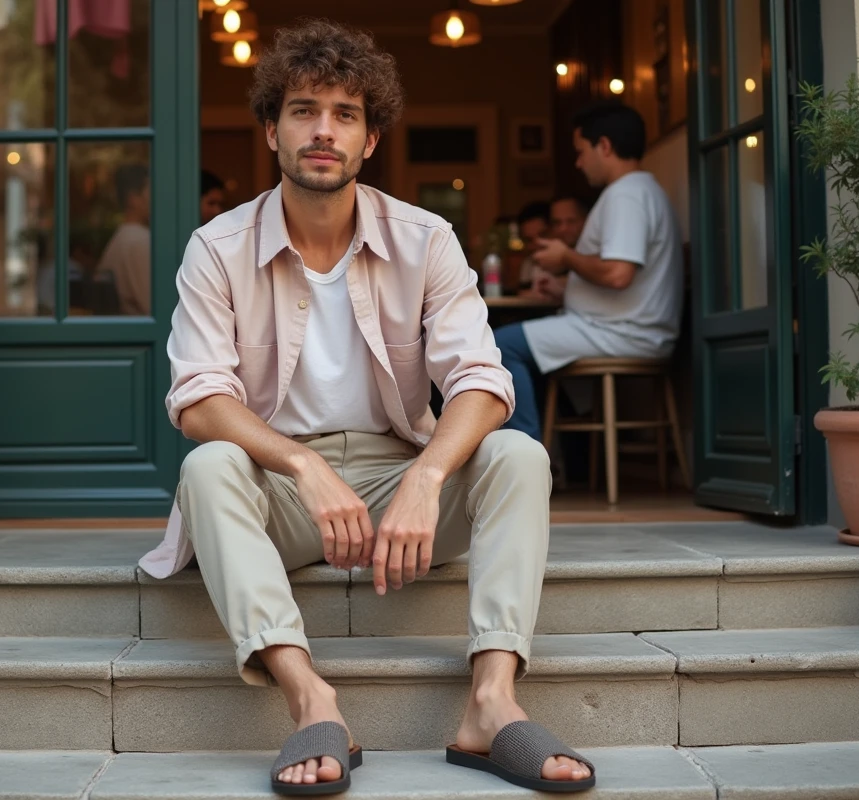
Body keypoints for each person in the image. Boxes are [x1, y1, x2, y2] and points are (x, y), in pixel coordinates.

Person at [139, 19, 595, 797]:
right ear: (272, 130)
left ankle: (490, 701)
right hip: (280, 490)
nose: (324, 130)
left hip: (397, 485)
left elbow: (482, 379)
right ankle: (311, 699)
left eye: (345, 114)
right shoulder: (216, 248)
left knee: (518, 451)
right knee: (209, 465)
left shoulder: (425, 240)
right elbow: (198, 399)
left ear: (370, 139)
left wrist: (427, 476)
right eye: (304, 109)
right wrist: (302, 464)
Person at [494, 103, 684, 442]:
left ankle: (525, 456)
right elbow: (623, 280)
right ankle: (555, 456)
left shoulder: (626, 195)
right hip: (626, 326)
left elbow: (617, 274)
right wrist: (565, 289)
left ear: (605, 147)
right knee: (516, 343)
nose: (578, 163)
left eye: (581, 152)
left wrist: (566, 256)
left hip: (622, 332)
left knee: (499, 345)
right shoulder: (643, 191)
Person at [95, 163, 153, 315]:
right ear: (133, 198)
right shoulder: (140, 241)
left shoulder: (122, 237)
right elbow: (155, 306)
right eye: (151, 191)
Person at [519, 195, 588, 303]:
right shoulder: (531, 263)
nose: (563, 228)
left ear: (586, 221)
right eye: (557, 223)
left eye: (571, 221)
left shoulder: (594, 255)